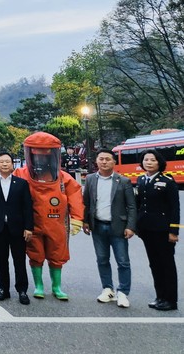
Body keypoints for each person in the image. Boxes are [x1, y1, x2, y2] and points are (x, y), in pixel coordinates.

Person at [14, 132, 84, 300]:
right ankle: (39, 286)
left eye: (45, 156)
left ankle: (56, 287)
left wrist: (77, 219)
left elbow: (75, 196)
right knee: (35, 254)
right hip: (31, 224)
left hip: (56, 223)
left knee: (57, 254)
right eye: (37, 156)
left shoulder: (63, 178)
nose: (41, 160)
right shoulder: (20, 174)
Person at [82, 148, 136, 308]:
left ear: (114, 162)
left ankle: (123, 292)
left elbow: (132, 206)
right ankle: (108, 289)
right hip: (98, 226)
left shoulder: (123, 181)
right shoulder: (90, 179)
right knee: (102, 259)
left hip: (118, 227)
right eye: (101, 159)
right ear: (96, 161)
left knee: (123, 261)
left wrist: (131, 226)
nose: (104, 162)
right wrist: (85, 221)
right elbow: (86, 202)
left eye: (107, 159)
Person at [0, 151, 33, 304]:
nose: (4, 164)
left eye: (7, 162)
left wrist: (28, 227)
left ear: (12, 165)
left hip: (17, 228)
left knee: (19, 260)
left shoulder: (22, 183)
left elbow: (27, 207)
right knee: (1, 260)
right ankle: (3, 289)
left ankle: (22, 290)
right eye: (1, 162)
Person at [136, 149, 179, 311]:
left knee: (167, 265)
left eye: (152, 160)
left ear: (159, 163)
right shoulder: (141, 180)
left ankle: (171, 300)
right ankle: (160, 296)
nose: (149, 162)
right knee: (154, 264)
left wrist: (174, 231)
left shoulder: (167, 181)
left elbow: (175, 208)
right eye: (146, 160)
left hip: (163, 230)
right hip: (147, 230)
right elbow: (139, 204)